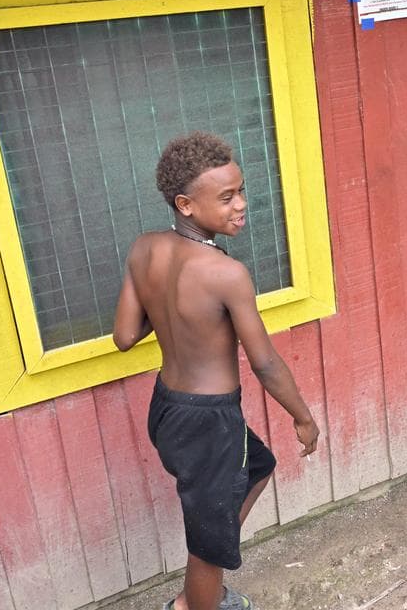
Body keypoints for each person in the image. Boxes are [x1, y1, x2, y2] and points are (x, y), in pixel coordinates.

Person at [113, 132, 320, 610]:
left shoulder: (144, 249)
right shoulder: (226, 274)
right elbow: (265, 362)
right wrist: (303, 417)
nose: (241, 205)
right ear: (185, 204)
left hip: (168, 411)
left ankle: (205, 572)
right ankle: (194, 601)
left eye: (241, 191)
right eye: (226, 198)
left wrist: (165, 303)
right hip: (210, 422)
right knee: (207, 547)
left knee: (257, 468)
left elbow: (124, 337)